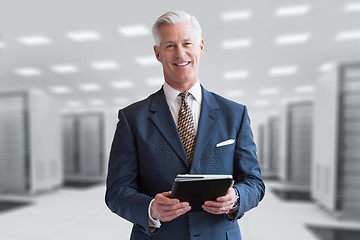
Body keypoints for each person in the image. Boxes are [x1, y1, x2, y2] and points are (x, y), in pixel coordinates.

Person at [105, 10, 265, 240]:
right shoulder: (132, 118)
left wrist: (236, 197)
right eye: (170, 45)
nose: (180, 54)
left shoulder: (234, 114)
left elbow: (254, 183)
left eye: (187, 43)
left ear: (200, 46)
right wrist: (150, 208)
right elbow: (116, 192)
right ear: (157, 53)